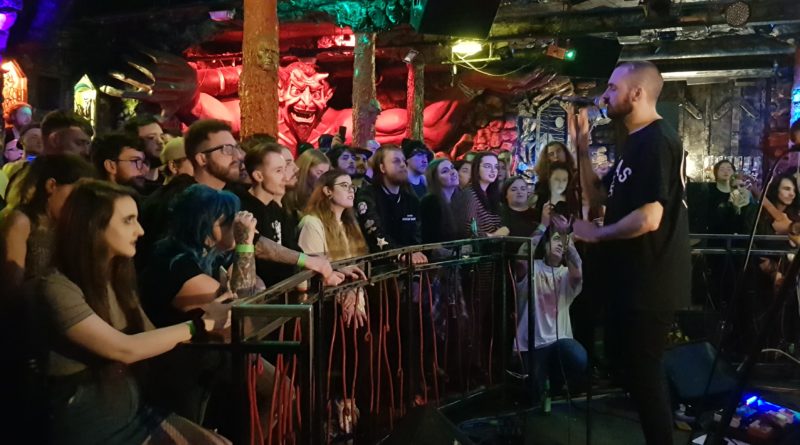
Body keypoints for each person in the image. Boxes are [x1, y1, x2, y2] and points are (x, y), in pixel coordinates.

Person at [31, 179, 231, 444]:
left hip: (132, 412)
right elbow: (125, 348)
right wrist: (200, 324)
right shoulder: (56, 287)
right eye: (128, 220)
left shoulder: (115, 279)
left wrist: (213, 325)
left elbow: (148, 336)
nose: (140, 230)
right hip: (92, 428)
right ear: (93, 226)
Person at [572, 61, 690, 445]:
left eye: (611, 88)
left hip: (650, 278)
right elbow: (597, 199)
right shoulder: (633, 143)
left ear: (636, 93)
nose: (604, 96)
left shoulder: (656, 140)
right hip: (632, 279)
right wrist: (582, 147)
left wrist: (599, 235)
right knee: (631, 368)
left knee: (643, 370)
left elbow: (650, 217)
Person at [514, 214, 585, 403]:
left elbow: (578, 271)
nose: (559, 244)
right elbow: (521, 259)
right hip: (530, 345)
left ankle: (556, 383)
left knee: (578, 356)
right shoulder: (533, 268)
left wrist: (565, 236)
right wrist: (543, 225)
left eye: (561, 242)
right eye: (554, 241)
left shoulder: (566, 274)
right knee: (533, 397)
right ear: (544, 247)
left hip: (559, 343)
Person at [0, 155, 96, 293]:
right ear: (51, 185)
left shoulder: (69, 222)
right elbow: (12, 286)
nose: (82, 201)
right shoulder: (22, 221)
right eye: (77, 192)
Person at [240, 142, 300, 287]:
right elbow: (258, 247)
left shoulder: (276, 209)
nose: (285, 178)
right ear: (258, 175)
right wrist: (309, 261)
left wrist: (331, 268)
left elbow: (294, 250)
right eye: (278, 171)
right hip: (260, 298)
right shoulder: (244, 207)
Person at [354, 145, 427, 264]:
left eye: (403, 161)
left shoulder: (411, 200)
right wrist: (401, 254)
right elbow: (375, 233)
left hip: (408, 268)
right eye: (396, 161)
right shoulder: (367, 195)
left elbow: (416, 237)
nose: (403, 165)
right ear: (382, 167)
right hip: (377, 269)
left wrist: (415, 255)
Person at [460, 151, 509, 238]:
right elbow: (469, 228)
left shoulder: (491, 194)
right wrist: (493, 235)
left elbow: (502, 226)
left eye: (496, 167)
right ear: (477, 169)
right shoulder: (469, 194)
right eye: (487, 166)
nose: (493, 170)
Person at [284, 148, 330, 219]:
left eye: (326, 174)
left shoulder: (322, 196)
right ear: (305, 170)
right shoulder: (289, 193)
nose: (324, 178)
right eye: (319, 173)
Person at [124, 114, 166, 186]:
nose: (160, 141)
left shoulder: (170, 183)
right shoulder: (128, 187)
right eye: (151, 137)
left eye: (162, 137)